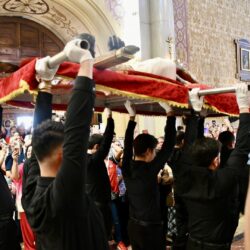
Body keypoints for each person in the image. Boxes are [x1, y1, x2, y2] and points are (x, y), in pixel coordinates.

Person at [22, 39, 109, 249]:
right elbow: (77, 130)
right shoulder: (64, 194)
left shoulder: (32, 189)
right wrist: (85, 61)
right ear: (63, 153)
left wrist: (45, 86)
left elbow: (40, 137)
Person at [176, 84, 250, 250]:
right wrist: (244, 107)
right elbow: (242, 148)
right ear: (215, 161)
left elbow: (190, 150)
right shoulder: (222, 180)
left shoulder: (185, 178)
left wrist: (197, 114)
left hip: (192, 243)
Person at [122, 100, 176, 250]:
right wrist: (170, 114)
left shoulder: (127, 166)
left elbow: (127, 146)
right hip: (150, 229)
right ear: (148, 151)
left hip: (133, 225)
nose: (155, 154)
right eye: (154, 150)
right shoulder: (149, 170)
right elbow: (169, 145)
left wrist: (132, 118)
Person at [86, 107, 114, 239]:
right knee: (102, 237)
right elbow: (107, 141)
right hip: (99, 206)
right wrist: (109, 118)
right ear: (97, 147)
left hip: (89, 205)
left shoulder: (81, 158)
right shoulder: (94, 160)